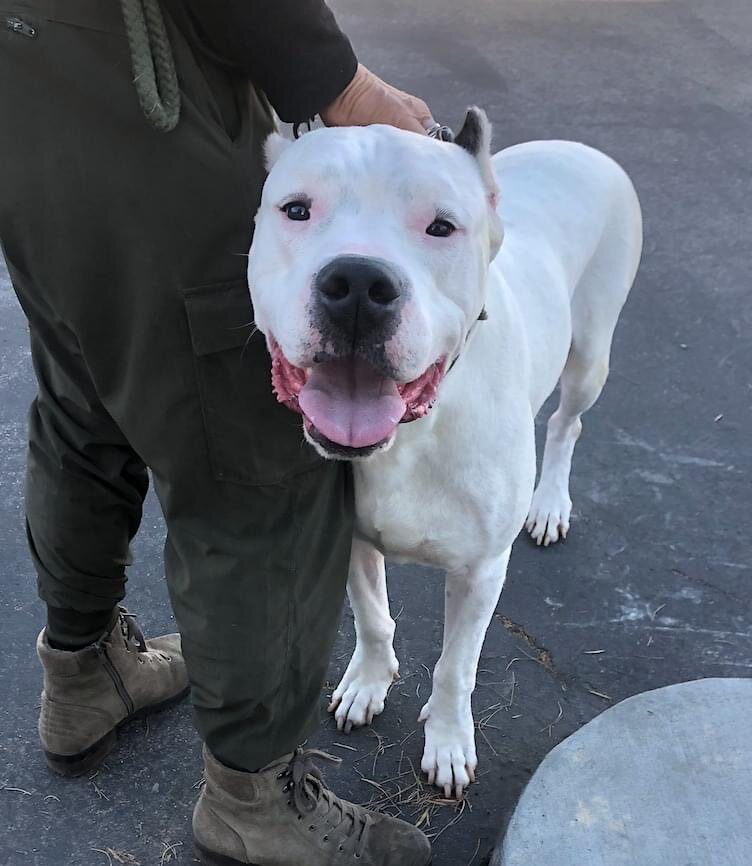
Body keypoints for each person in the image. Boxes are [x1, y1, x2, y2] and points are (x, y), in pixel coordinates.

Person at [0, 1, 435, 863]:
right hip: (143, 90)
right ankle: (253, 799)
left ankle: (83, 674)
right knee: (259, 473)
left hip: (22, 82)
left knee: (88, 395)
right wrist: (341, 81)